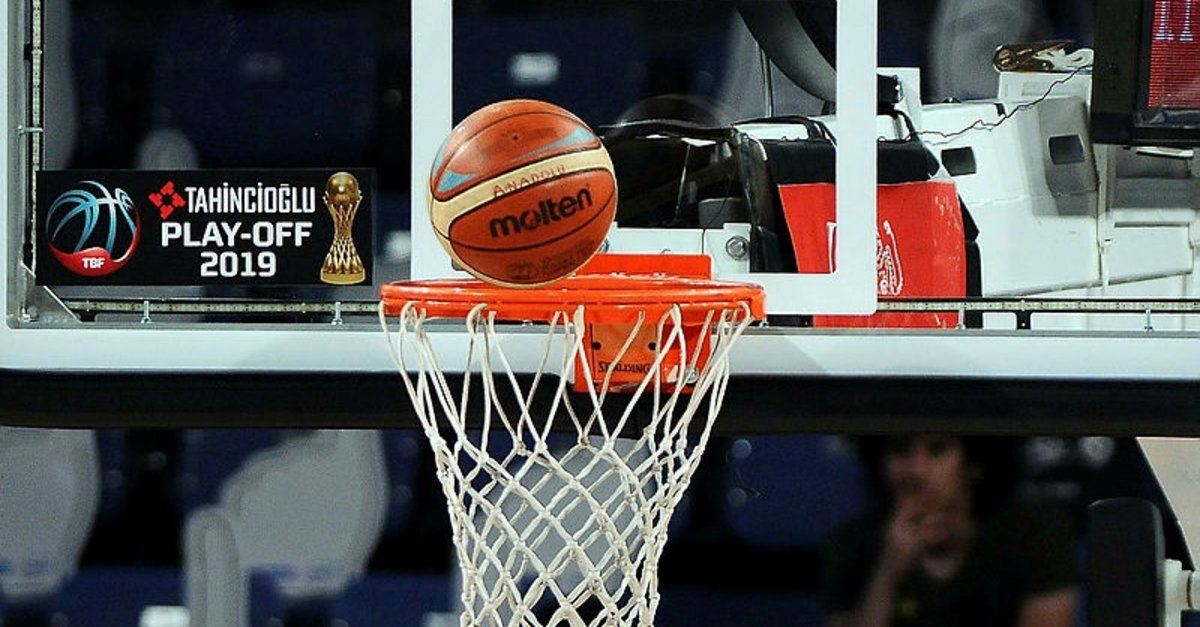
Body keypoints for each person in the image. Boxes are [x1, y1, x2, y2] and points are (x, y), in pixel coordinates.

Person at [821, 434, 1078, 627]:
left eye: (938, 449)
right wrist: (888, 571)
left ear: (973, 463)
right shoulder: (852, 543)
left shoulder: (1035, 533)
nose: (916, 470)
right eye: (900, 450)